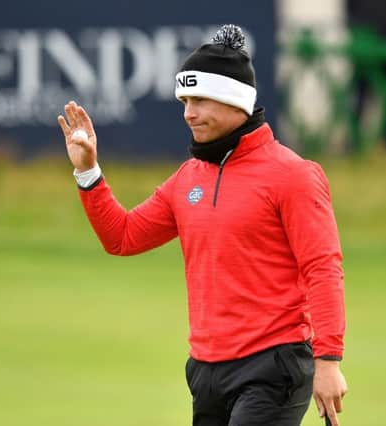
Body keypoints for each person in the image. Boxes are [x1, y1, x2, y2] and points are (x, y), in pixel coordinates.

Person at [58, 24, 348, 426]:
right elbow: (122, 237)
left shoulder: (293, 175)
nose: (188, 113)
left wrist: (329, 360)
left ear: (236, 102)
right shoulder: (188, 178)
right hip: (207, 371)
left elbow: (322, 267)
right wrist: (88, 172)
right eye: (184, 100)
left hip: (273, 366)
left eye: (200, 100)